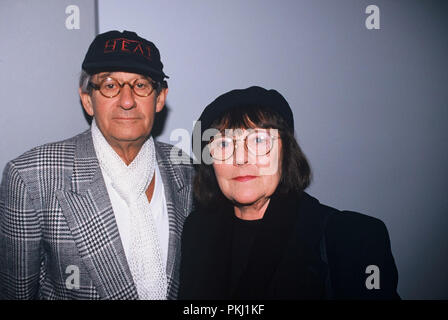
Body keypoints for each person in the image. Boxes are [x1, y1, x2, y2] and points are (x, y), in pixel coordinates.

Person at [0, 30, 194, 300]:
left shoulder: (187, 170)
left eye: (141, 85)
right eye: (110, 85)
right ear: (87, 99)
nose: (127, 101)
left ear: (159, 99)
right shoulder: (31, 178)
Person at [179, 86, 400, 299]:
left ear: (286, 152)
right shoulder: (196, 232)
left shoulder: (352, 239)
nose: (240, 158)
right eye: (224, 144)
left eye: (258, 140)